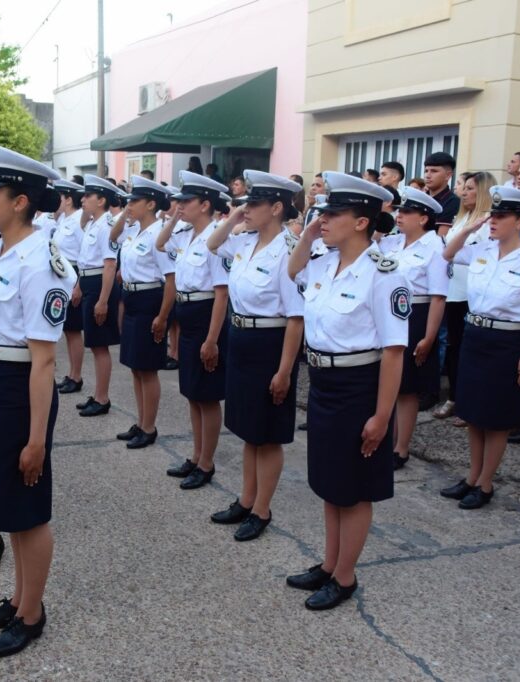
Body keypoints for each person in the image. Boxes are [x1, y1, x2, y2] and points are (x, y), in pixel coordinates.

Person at [0, 142, 74, 658]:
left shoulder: (41, 262)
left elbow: (44, 361)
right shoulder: (2, 249)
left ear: (21, 201)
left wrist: (36, 439)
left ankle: (32, 614)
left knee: (28, 510)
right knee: (5, 503)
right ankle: (18, 598)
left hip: (18, 390)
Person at [284, 172, 408, 610]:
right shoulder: (322, 261)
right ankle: (329, 563)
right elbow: (292, 270)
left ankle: (345, 576)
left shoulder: (383, 274)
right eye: (322, 212)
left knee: (353, 488)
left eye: (333, 213)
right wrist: (308, 233)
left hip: (359, 388)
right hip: (323, 384)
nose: (323, 219)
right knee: (330, 482)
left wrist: (382, 416)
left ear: (361, 222)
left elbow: (393, 352)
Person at [440, 186, 520, 509]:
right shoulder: (482, 249)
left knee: (496, 418)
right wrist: (469, 228)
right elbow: (448, 253)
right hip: (475, 337)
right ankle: (471, 477)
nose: (493, 221)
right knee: (473, 413)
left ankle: (486, 483)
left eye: (502, 216)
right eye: (492, 215)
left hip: (507, 343)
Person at [205, 171, 305, 541]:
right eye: (246, 203)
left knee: (268, 434)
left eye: (255, 204)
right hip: (241, 339)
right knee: (249, 430)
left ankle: (262, 509)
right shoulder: (244, 242)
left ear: (277, 208)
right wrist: (235, 215)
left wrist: (284, 371)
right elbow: (212, 244)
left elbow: (295, 318)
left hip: (270, 345)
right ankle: (245, 500)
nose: (247, 209)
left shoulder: (289, 250)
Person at [156, 171, 231, 489]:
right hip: (187, 316)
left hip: (205, 317)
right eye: (179, 201)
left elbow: (221, 294)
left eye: (186, 201)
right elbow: (160, 244)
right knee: (191, 393)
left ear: (205, 204)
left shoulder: (217, 239)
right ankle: (196, 455)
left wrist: (212, 339)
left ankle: (207, 463)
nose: (180, 205)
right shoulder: (185, 234)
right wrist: (174, 218)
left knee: (207, 396)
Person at [377, 188, 447, 469]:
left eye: (407, 212)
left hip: (416, 315)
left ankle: (401, 448)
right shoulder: (393, 242)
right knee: (388, 381)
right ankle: (386, 440)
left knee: (408, 388)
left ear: (423, 218)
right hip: (390, 313)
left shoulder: (435, 247)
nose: (400, 216)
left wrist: (429, 337)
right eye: (399, 211)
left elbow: (438, 297)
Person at [109, 176, 175, 449]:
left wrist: (162, 317)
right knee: (136, 367)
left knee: (147, 369)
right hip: (132, 298)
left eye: (135, 201)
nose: (130, 205)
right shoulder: (134, 230)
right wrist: (126, 212)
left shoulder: (160, 234)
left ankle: (149, 427)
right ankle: (140, 421)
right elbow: (112, 236)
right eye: (129, 200)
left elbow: (170, 280)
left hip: (150, 301)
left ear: (151, 204)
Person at [433, 172, 496, 422]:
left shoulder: (488, 221)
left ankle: (467, 401)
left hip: (470, 294)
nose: (464, 192)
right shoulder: (462, 218)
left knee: (467, 350)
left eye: (471, 188)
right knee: (454, 348)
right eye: (465, 187)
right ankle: (455, 397)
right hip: (452, 290)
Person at [73, 175, 123, 417]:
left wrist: (103, 301)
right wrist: (78, 286)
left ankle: (102, 398)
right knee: (94, 344)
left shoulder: (107, 226)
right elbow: (85, 261)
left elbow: (110, 265)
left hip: (100, 286)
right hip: (89, 283)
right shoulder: (94, 223)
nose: (83, 200)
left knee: (99, 345)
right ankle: (98, 394)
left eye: (88, 196)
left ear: (101, 200)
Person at [50, 179, 86, 394]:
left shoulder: (79, 221)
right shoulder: (64, 219)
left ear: (69, 199)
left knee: (73, 331)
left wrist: (79, 285)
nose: (57, 201)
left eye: (60, 197)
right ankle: (71, 374)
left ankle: (77, 375)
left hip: (73, 275)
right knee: (66, 330)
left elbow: (84, 255)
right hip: (61, 275)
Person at [422, 152, 460, 234]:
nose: (427, 175)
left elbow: (441, 237)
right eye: (426, 171)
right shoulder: (420, 198)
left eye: (434, 171)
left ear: (448, 175)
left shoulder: (452, 202)